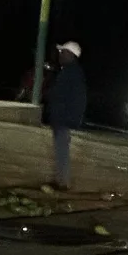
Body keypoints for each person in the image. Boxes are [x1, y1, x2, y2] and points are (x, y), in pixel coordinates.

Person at [47, 41, 87, 191]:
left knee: (62, 149)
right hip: (62, 117)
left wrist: (72, 118)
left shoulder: (72, 73)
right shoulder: (69, 71)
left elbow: (77, 98)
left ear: (70, 55)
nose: (60, 55)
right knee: (60, 149)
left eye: (63, 52)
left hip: (64, 118)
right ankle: (60, 180)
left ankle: (62, 183)